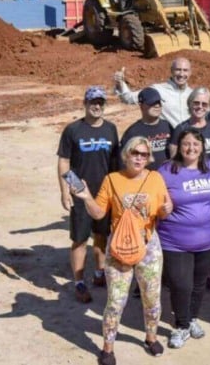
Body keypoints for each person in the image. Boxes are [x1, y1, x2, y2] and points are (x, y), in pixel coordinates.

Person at [73, 137, 171, 365]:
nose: (139, 158)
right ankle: (107, 348)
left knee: (151, 297)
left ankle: (151, 337)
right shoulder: (112, 179)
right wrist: (86, 197)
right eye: (135, 153)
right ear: (126, 155)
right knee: (116, 301)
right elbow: (99, 213)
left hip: (148, 245)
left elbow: (163, 210)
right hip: (119, 246)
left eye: (144, 154)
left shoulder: (155, 178)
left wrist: (168, 208)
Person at [157, 129, 210, 349]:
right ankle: (181, 325)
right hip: (175, 241)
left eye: (195, 144)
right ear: (178, 146)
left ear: (202, 147)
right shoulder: (166, 171)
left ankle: (192, 318)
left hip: (209, 239)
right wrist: (161, 208)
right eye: (186, 143)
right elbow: (154, 200)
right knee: (181, 284)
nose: (191, 148)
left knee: (199, 283)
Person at [57, 86, 118, 303]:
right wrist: (67, 191)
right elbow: (64, 162)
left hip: (104, 194)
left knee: (101, 236)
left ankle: (100, 273)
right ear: (85, 104)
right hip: (80, 194)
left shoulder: (111, 129)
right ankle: (79, 282)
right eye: (93, 102)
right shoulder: (73, 130)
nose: (97, 106)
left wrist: (115, 191)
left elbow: (115, 162)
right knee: (80, 239)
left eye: (100, 102)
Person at [115, 58, 194, 127]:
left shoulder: (193, 94)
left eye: (185, 70)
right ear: (171, 70)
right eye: (178, 70)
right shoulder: (158, 90)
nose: (181, 74)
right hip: (169, 138)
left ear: (190, 72)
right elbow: (128, 98)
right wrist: (120, 83)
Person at [170, 88, 210, 165]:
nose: (200, 107)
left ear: (209, 107)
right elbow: (174, 160)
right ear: (189, 104)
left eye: (204, 104)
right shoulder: (180, 129)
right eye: (196, 103)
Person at [120, 88, 172, 166]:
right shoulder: (132, 132)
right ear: (141, 106)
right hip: (143, 174)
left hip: (166, 173)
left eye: (159, 102)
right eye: (152, 103)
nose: (157, 106)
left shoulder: (168, 126)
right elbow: (123, 161)